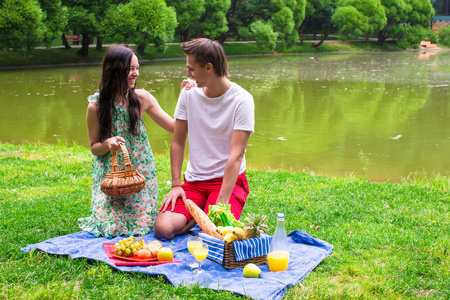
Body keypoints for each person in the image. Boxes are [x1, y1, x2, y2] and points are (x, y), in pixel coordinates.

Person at [155, 38, 255, 240]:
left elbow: (236, 157)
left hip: (227, 182)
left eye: (191, 69)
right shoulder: (188, 93)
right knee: (163, 228)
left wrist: (221, 205)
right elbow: (177, 141)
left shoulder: (242, 100)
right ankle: (195, 217)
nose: (188, 74)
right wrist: (176, 185)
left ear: (208, 67)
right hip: (194, 182)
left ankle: (198, 218)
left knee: (213, 235)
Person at [78, 45, 174, 238]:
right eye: (130, 69)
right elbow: (94, 148)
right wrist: (107, 144)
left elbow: (174, 127)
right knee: (112, 227)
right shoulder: (96, 106)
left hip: (139, 180)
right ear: (114, 69)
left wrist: (189, 95)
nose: (135, 74)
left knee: (142, 225)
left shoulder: (142, 98)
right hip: (111, 183)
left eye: (137, 68)